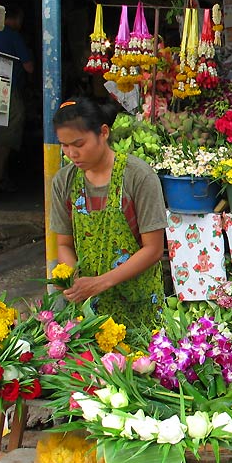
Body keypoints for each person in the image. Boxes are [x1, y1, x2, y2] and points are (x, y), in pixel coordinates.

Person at [49, 98, 167, 329]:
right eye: (64, 145)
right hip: (89, 312)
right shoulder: (64, 181)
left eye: (79, 144)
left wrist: (101, 283)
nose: (72, 153)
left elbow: (153, 249)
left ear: (103, 132)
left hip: (138, 306)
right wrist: (74, 281)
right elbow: (63, 244)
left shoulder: (138, 176)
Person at [0, 4, 34, 193]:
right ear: (16, 18)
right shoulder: (13, 35)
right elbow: (29, 67)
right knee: (11, 127)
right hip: (6, 88)